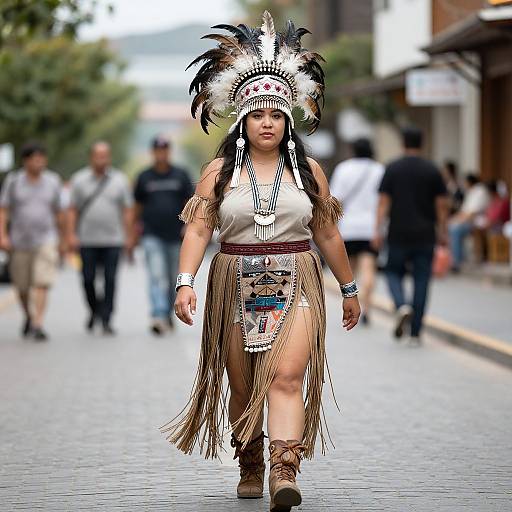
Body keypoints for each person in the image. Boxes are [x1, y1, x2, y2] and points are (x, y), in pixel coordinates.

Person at [159, 12, 360, 512]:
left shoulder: (309, 171)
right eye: (257, 115)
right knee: (244, 383)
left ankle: (283, 471)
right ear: (243, 121)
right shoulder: (218, 172)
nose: (266, 123)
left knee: (286, 378)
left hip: (298, 278)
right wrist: (185, 281)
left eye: (275, 115)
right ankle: (249, 457)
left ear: (288, 122)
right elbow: (200, 229)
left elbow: (327, 231)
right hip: (233, 278)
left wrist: (351, 288)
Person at [373, 127, 448, 345]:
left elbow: (383, 202)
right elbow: (441, 205)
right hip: (425, 234)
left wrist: (377, 230)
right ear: (422, 143)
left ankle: (400, 305)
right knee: (422, 279)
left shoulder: (393, 168)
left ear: (403, 143)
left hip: (398, 232)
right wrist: (442, 231)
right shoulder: (432, 170)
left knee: (392, 271)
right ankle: (415, 333)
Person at [0, 142, 65, 340]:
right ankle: (28, 316)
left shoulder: (53, 181)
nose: (39, 162)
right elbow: (4, 209)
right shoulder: (14, 181)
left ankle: (38, 323)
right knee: (21, 285)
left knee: (41, 281)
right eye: (34, 159)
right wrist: (2, 235)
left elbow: (59, 211)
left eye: (41, 158)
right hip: (19, 241)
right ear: (25, 161)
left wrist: (63, 237)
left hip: (46, 238)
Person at [67, 141, 133, 335]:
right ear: (91, 157)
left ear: (109, 157)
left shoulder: (119, 180)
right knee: (87, 279)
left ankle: (106, 318)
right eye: (98, 155)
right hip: (86, 240)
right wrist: (70, 235)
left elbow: (127, 210)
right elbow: (72, 210)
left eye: (105, 155)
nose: (102, 159)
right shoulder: (79, 180)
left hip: (113, 240)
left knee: (110, 280)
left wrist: (129, 236)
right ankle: (94, 310)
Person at [133, 136, 193, 335]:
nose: (162, 153)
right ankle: (158, 314)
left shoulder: (180, 175)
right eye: (158, 150)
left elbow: (191, 203)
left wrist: (189, 226)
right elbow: (137, 207)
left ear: (169, 151)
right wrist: (132, 234)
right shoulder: (144, 177)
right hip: (152, 235)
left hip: (175, 236)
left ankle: (167, 312)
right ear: (153, 152)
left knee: (171, 278)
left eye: (165, 149)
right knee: (156, 275)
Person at [330, 138, 384, 325]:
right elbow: (383, 201)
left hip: (348, 227)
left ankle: (353, 303)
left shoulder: (344, 169)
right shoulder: (379, 170)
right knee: (368, 268)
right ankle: (367, 308)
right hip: (370, 228)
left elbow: (335, 199)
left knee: (349, 272)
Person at [448, 174, 490, 271]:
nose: (464, 184)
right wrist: (454, 220)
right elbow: (464, 212)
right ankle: (458, 258)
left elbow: (472, 213)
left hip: (477, 222)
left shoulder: (480, 191)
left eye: (465, 182)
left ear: (470, 182)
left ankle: (457, 262)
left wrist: (456, 221)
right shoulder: (471, 192)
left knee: (455, 230)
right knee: (452, 227)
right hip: (469, 220)